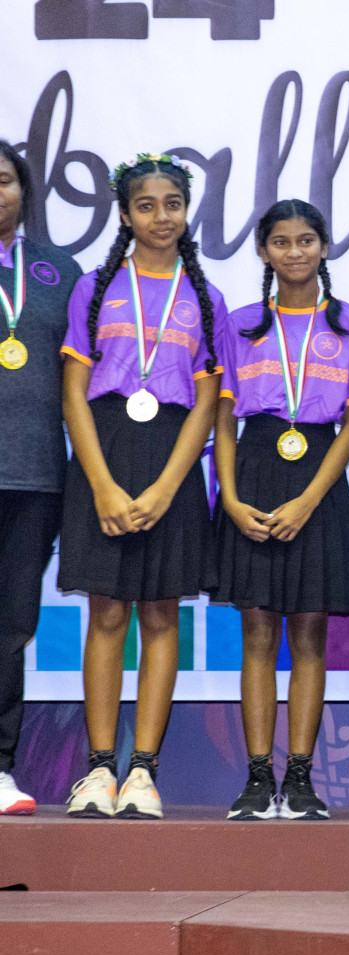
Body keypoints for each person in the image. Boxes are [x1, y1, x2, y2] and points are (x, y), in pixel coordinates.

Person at [58, 153, 227, 819]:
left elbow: (208, 403)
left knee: (160, 614)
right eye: (147, 205)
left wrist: (164, 489)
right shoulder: (94, 290)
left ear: (187, 211)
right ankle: (100, 767)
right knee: (106, 612)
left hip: (172, 464)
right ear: (125, 215)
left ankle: (143, 771)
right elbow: (73, 393)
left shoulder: (204, 298)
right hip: (103, 452)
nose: (162, 216)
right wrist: (100, 484)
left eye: (173, 204)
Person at [213, 200, 349, 820]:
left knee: (309, 632)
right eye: (282, 242)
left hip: (320, 476)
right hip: (254, 464)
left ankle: (299, 779)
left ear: (324, 248)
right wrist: (228, 496)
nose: (295, 252)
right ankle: (257, 778)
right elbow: (222, 419)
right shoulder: (241, 322)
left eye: (307, 241)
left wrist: (309, 499)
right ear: (263, 252)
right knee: (256, 629)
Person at [0, 140, 83, 815]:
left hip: (34, 478)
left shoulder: (59, 270)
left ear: (24, 191)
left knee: (9, 625)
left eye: (3, 181)